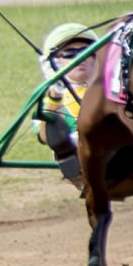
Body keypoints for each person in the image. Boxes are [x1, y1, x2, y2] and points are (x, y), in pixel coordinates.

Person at [32, 22, 99, 180]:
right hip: (80, 158)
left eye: (86, 51)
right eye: (69, 54)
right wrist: (55, 96)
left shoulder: (113, 87)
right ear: (55, 62)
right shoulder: (48, 97)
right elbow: (44, 137)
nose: (80, 58)